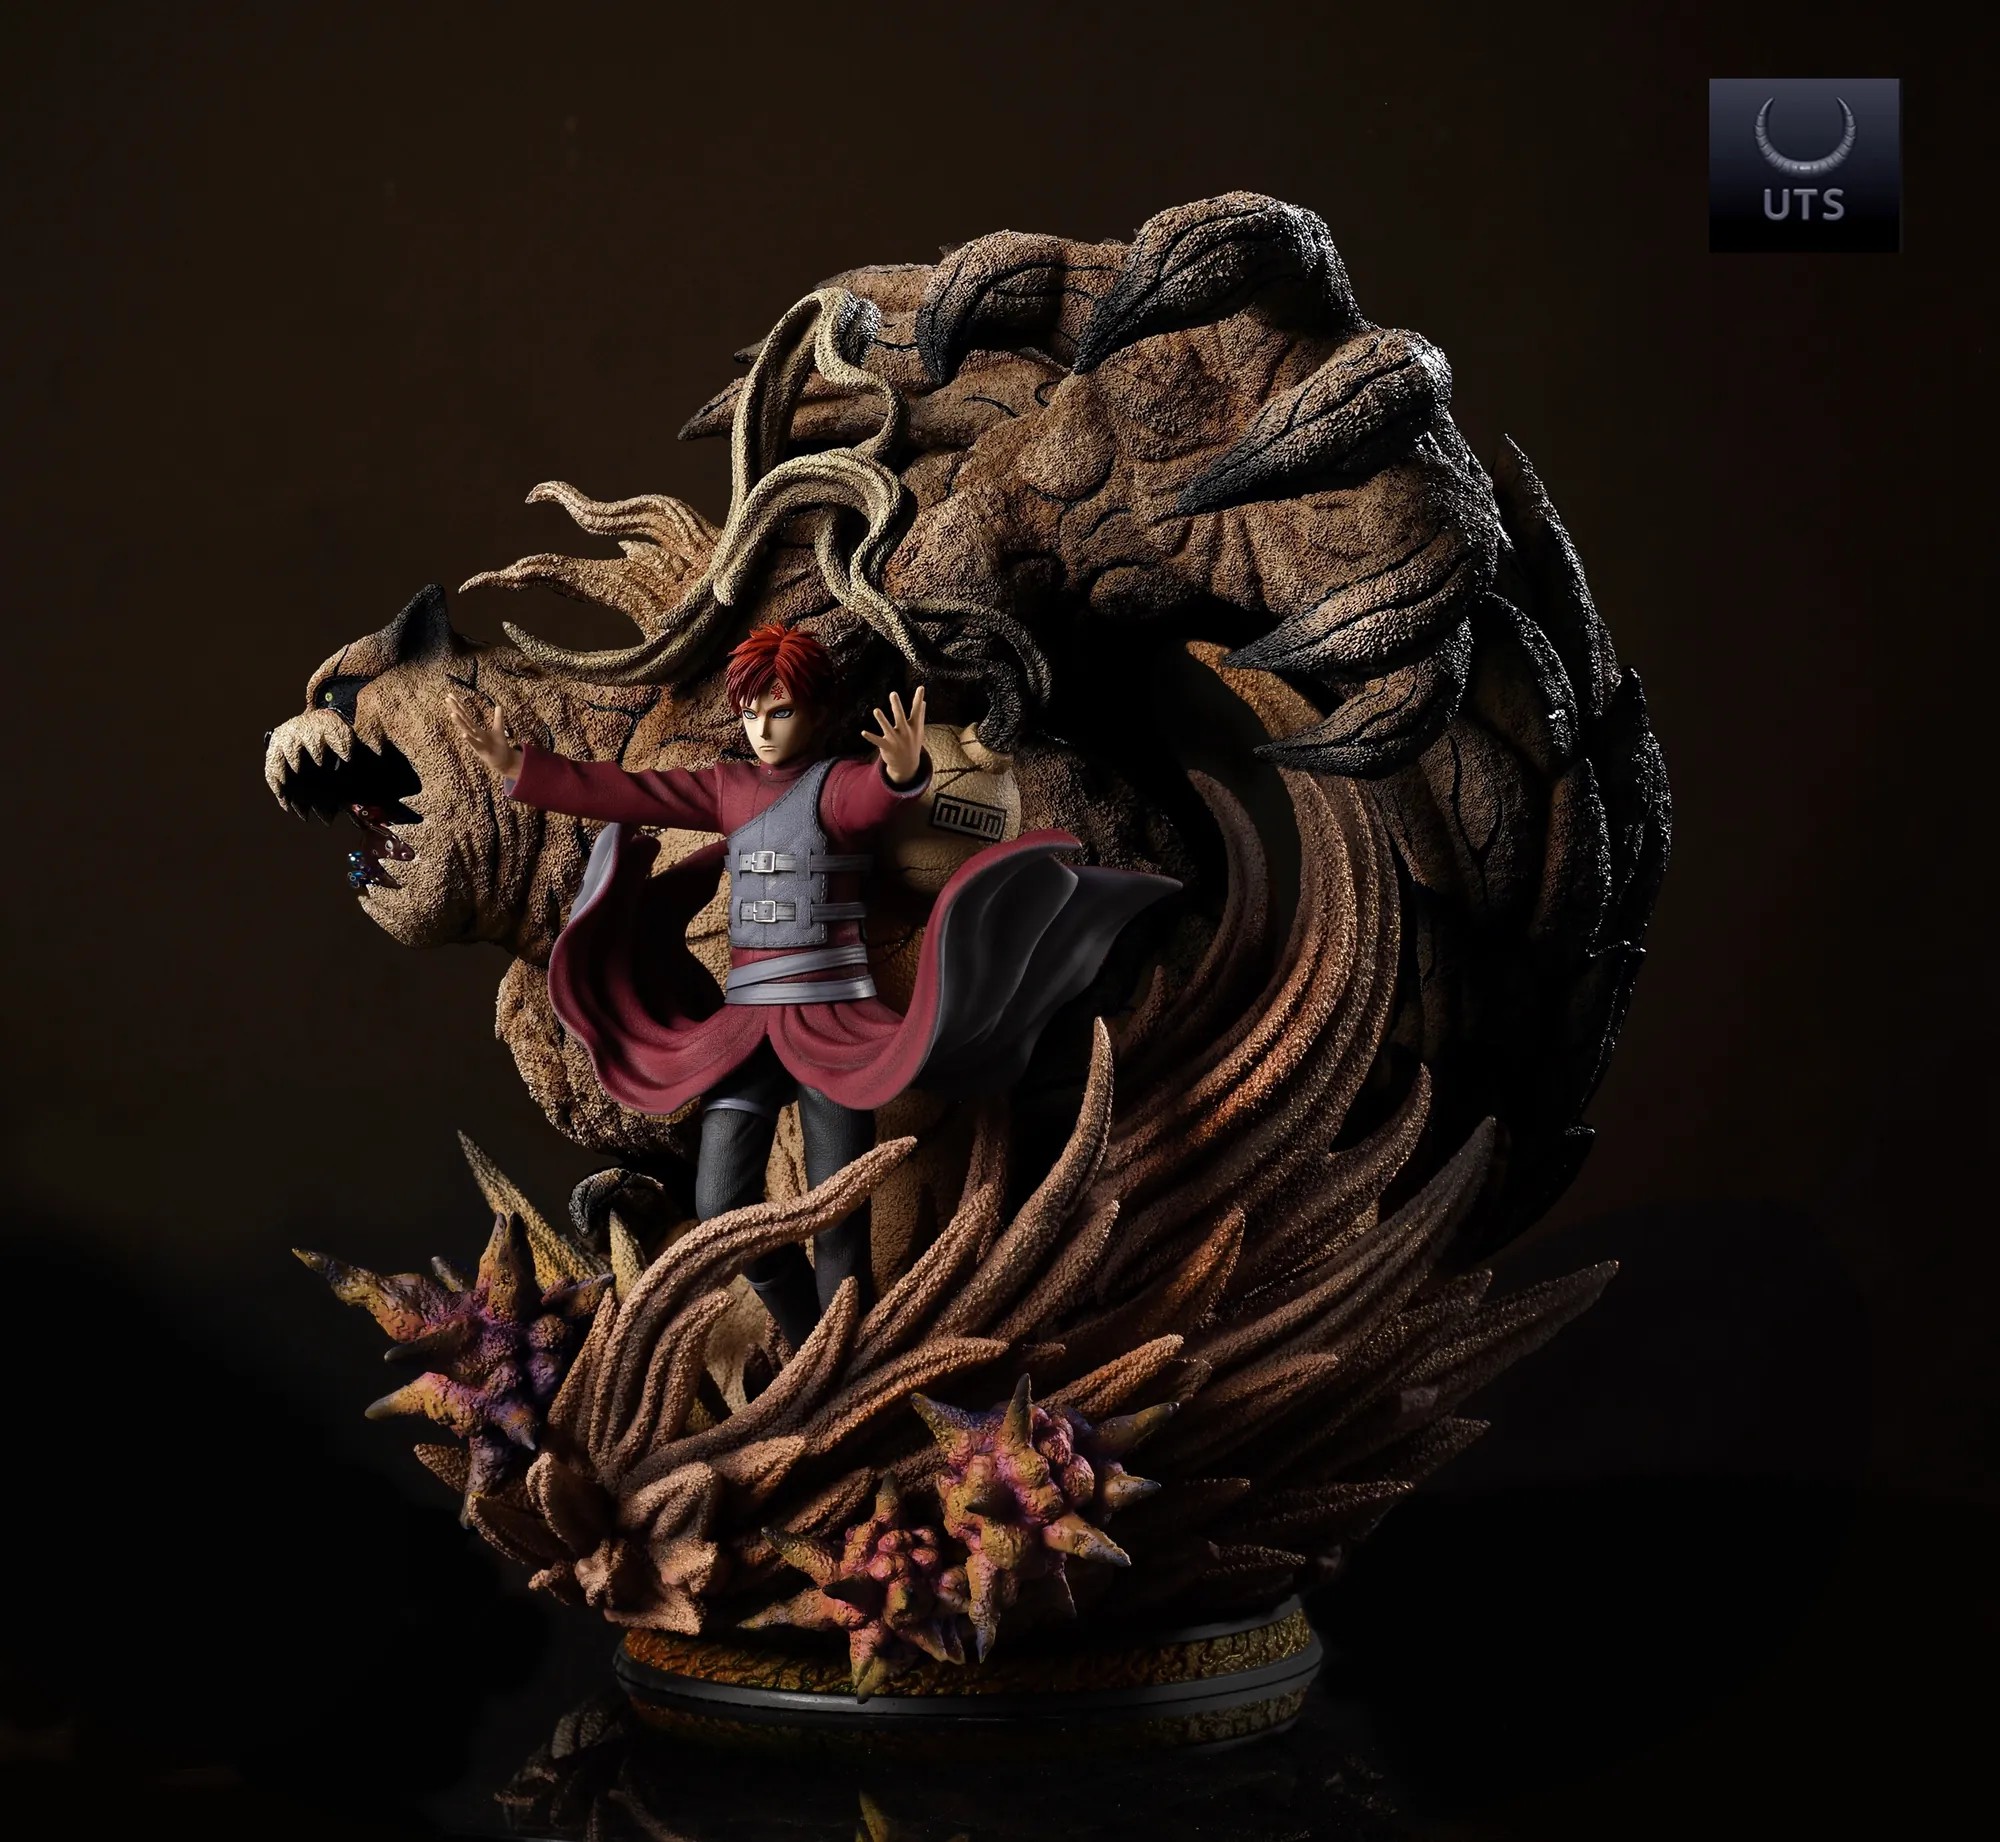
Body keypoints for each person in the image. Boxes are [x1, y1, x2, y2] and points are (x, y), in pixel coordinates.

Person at [449, 623, 1176, 1348]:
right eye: (751, 714)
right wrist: (520, 767)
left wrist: (901, 773)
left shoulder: (834, 787)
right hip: (745, 1031)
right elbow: (630, 792)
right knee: (721, 1210)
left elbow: (872, 799)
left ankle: (844, 1353)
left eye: (782, 711)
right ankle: (810, 1346)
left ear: (818, 712)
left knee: (838, 1217)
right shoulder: (729, 788)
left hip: (832, 1028)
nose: (763, 730)